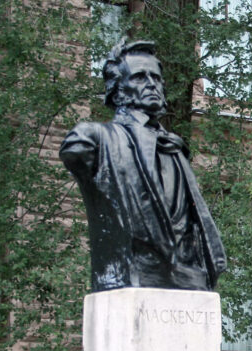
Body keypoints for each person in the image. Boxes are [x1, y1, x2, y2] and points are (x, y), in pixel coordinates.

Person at [60, 41, 226, 292]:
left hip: (187, 272)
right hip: (131, 271)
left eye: (156, 78)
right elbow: (75, 153)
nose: (151, 84)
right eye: (139, 77)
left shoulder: (174, 148)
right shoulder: (95, 139)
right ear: (118, 89)